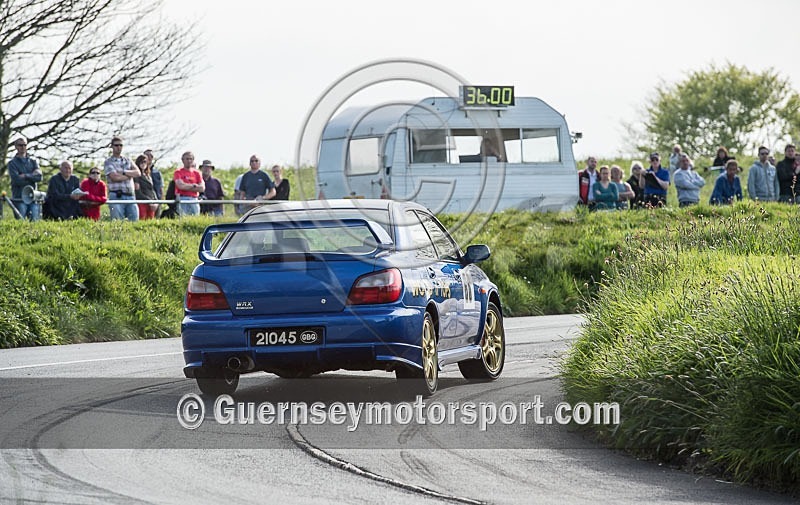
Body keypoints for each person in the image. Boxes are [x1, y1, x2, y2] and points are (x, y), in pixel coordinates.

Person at [104, 135, 140, 221]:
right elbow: (114, 177)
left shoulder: (128, 160)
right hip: (116, 196)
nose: (119, 147)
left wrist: (124, 173)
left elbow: (138, 173)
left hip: (130, 196)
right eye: (116, 145)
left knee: (134, 222)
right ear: (112, 146)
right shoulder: (108, 162)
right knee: (117, 223)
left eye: (121, 145)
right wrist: (130, 176)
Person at [7, 136, 43, 220]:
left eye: (25, 145)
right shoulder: (12, 163)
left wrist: (25, 175)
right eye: (20, 145)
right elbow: (16, 180)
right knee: (20, 223)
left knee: (35, 222)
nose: (23, 147)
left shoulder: (33, 161)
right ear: (16, 147)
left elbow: (39, 177)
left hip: (33, 198)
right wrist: (32, 175)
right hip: (19, 198)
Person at [173, 151, 204, 216]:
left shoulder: (197, 173)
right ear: (183, 160)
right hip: (182, 198)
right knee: (183, 217)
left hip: (194, 198)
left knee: (195, 218)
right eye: (187, 159)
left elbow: (202, 188)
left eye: (191, 159)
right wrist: (194, 186)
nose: (189, 161)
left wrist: (187, 186)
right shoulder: (178, 172)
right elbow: (180, 186)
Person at [134, 154, 158, 220]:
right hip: (142, 202)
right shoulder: (136, 176)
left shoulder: (148, 176)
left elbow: (152, 190)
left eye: (145, 162)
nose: (143, 164)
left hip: (151, 203)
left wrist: (156, 201)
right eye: (141, 162)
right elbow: (138, 192)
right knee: (142, 220)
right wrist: (149, 201)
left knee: (151, 221)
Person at [144, 149, 163, 217]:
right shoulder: (139, 171)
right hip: (143, 201)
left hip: (156, 201)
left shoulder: (157, 172)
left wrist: (159, 202)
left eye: (151, 156)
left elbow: (160, 189)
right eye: (147, 155)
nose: (149, 157)